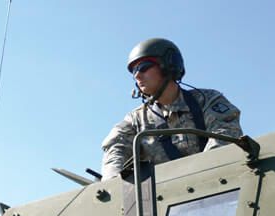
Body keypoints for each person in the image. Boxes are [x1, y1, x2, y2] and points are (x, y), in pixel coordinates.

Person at [100, 38, 243, 179]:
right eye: (134, 71)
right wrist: (114, 185)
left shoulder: (207, 100)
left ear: (169, 65)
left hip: (218, 187)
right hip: (164, 198)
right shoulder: (135, 120)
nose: (137, 75)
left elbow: (226, 134)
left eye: (143, 67)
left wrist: (201, 176)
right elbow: (115, 151)